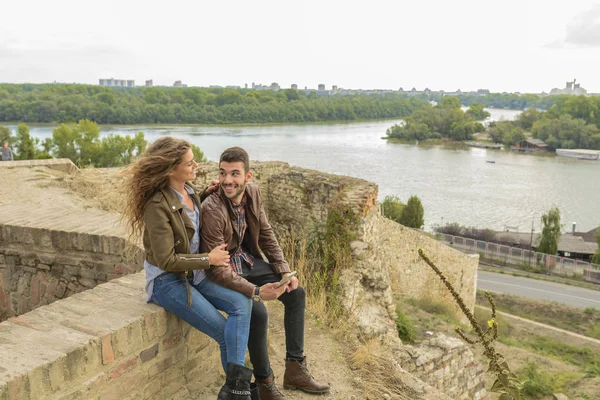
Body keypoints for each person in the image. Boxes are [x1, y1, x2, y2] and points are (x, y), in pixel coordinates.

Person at [122, 137, 256, 400]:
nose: (196, 164)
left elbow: (193, 225)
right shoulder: (156, 205)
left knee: (243, 303)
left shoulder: (192, 191)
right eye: (189, 162)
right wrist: (209, 260)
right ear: (172, 169)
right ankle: (240, 393)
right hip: (167, 281)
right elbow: (167, 260)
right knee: (223, 331)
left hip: (194, 275)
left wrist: (212, 191)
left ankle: (234, 391)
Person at [201, 146, 330, 400]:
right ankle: (264, 383)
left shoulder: (253, 193)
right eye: (223, 173)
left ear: (248, 176)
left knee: (296, 293)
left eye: (235, 174)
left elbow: (267, 234)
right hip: (225, 268)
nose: (228, 180)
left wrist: (284, 271)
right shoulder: (211, 208)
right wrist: (257, 292)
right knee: (257, 310)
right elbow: (216, 271)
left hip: (246, 259)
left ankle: (295, 369)